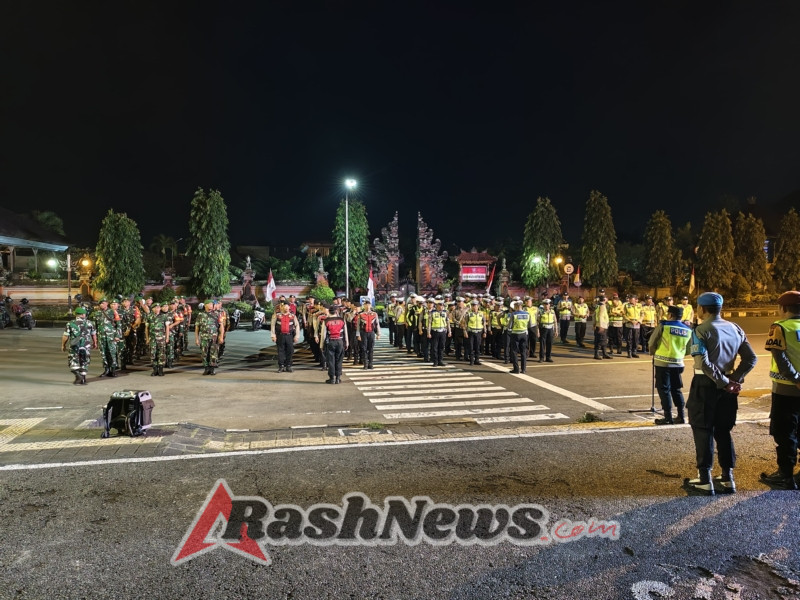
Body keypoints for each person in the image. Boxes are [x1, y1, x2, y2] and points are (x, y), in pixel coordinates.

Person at [685, 292, 757, 495]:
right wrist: (734, 379)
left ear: (702, 309)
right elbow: (750, 359)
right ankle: (727, 478)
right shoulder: (735, 328)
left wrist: (723, 382)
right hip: (729, 387)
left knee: (702, 428)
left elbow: (703, 364)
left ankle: (704, 479)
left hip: (706, 384)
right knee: (723, 430)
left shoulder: (701, 330)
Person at [760, 290, 800, 490]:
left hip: (786, 390)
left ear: (783, 308)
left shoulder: (779, 327)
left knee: (784, 432)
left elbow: (780, 358)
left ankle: (785, 475)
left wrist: (796, 379)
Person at [649, 305, 691, 425]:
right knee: (676, 389)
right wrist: (679, 355)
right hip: (678, 363)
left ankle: (668, 417)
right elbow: (689, 349)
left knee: (664, 390)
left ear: (671, 315)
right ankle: (681, 416)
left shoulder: (664, 325)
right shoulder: (688, 329)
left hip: (662, 363)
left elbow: (652, 342)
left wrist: (654, 353)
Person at [61, 307, 97, 384]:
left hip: (75, 346)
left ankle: (78, 375)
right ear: (83, 314)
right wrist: (95, 343)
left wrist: (63, 345)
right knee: (84, 361)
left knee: (73, 361)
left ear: (76, 314)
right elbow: (94, 335)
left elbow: (65, 336)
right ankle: (83, 379)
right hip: (86, 346)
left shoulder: (70, 323)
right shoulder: (90, 323)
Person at [89, 298, 121, 377]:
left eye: (103, 303)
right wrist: (95, 340)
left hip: (111, 337)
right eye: (100, 303)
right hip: (101, 337)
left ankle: (113, 370)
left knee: (112, 353)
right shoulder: (97, 313)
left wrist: (117, 336)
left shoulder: (112, 312)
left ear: (107, 303)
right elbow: (95, 327)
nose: (102, 305)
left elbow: (119, 324)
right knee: (103, 353)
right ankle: (106, 369)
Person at [318, 305, 348, 384]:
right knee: (339, 360)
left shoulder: (326, 321)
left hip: (331, 342)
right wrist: (347, 343)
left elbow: (323, 335)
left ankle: (332, 379)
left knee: (331, 360)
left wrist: (321, 345)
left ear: (329, 312)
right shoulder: (342, 320)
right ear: (336, 312)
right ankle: (338, 378)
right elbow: (345, 332)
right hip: (340, 341)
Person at [195, 300, 224, 375]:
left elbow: (221, 326)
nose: (211, 305)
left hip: (214, 337)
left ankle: (212, 368)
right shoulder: (200, 315)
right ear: (205, 305)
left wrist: (221, 336)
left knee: (213, 353)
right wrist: (197, 339)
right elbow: (197, 328)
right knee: (204, 353)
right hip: (204, 337)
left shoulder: (217, 314)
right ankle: (206, 368)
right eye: (210, 304)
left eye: (212, 304)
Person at [271, 300, 300, 372]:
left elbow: (297, 325)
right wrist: (273, 335)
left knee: (290, 351)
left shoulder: (292, 316)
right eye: (284, 306)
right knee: (280, 351)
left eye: (287, 306)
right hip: (280, 336)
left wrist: (297, 336)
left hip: (289, 336)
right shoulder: (277, 315)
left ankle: (288, 366)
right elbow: (272, 325)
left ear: (289, 307)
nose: (286, 308)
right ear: (281, 307)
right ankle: (281, 366)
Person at [356, 299, 381, 369]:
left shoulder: (374, 314)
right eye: (365, 305)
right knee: (364, 348)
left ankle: (370, 363)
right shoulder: (361, 314)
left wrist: (378, 334)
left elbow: (377, 324)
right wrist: (358, 335)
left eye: (368, 304)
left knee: (371, 348)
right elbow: (358, 325)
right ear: (364, 306)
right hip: (363, 333)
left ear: (370, 305)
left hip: (371, 332)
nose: (367, 306)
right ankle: (365, 364)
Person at [507, 300, 531, 374]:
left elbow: (510, 326)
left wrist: (509, 330)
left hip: (515, 334)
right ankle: (523, 369)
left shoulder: (514, 314)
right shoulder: (527, 314)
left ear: (517, 306)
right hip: (524, 334)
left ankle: (516, 369)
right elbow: (530, 325)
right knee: (523, 352)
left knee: (514, 352)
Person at [146, 303, 169, 376]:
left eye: (158, 307)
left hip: (161, 338)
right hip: (152, 338)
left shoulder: (164, 316)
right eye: (155, 308)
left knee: (161, 353)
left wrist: (167, 337)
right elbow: (146, 328)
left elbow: (167, 327)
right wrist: (147, 338)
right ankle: (154, 369)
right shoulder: (149, 316)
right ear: (152, 309)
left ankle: (161, 369)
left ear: (160, 308)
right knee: (153, 354)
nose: (157, 309)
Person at [426, 298, 450, 367]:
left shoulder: (445, 313)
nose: (441, 307)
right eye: (439, 305)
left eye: (442, 305)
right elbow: (429, 323)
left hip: (442, 331)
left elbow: (447, 322)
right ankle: (435, 361)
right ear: (436, 306)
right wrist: (428, 332)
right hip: (435, 331)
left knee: (441, 347)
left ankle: (440, 361)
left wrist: (449, 331)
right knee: (434, 347)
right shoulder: (432, 313)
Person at [464, 299, 487, 365]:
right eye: (473, 305)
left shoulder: (481, 314)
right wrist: (465, 331)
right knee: (471, 346)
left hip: (479, 332)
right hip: (471, 332)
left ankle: (477, 360)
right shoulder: (468, 314)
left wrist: (485, 332)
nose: (474, 307)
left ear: (478, 306)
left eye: (475, 305)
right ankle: (471, 360)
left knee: (477, 346)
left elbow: (484, 323)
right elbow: (465, 323)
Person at [593, 295, 613, 360]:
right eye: (606, 298)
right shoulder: (602, 306)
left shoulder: (597, 306)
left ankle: (604, 353)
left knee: (601, 340)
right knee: (601, 340)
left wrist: (594, 324)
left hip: (598, 325)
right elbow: (601, 316)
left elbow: (594, 315)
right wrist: (601, 326)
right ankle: (597, 354)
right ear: (604, 299)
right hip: (602, 326)